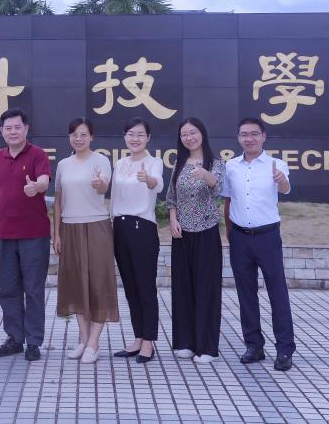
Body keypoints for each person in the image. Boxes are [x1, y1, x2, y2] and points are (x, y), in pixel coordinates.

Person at [221, 117, 296, 372]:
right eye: (244, 134)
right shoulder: (231, 166)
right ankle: (254, 346)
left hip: (267, 237)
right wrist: (230, 233)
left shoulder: (277, 164)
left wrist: (281, 179)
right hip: (240, 237)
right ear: (238, 138)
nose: (249, 138)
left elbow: (285, 188)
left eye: (254, 134)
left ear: (263, 136)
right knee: (246, 294)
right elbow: (228, 201)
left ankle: (285, 349)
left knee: (277, 293)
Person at [52, 117, 118, 364]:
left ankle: (94, 342)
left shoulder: (101, 161)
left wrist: (100, 184)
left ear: (91, 137)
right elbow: (58, 200)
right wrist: (56, 233)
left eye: (83, 134)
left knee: (99, 282)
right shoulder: (63, 165)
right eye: (74, 135)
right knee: (75, 283)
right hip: (69, 227)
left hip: (97, 225)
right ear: (69, 137)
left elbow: (103, 187)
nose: (78, 139)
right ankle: (84, 339)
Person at [0, 107, 52, 362]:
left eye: (17, 127)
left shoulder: (38, 154)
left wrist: (37, 186)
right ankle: (15, 338)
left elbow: (44, 180)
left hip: (35, 234)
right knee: (8, 289)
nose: (13, 132)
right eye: (8, 128)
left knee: (33, 289)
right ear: (2, 131)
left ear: (26, 129)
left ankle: (33, 341)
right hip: (6, 233)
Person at [165, 117, 225, 363]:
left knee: (206, 289)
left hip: (206, 232)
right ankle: (185, 343)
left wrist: (206, 175)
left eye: (193, 132)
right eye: (184, 134)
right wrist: (172, 219)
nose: (189, 137)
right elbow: (171, 197)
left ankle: (207, 347)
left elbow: (218, 189)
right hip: (182, 233)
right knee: (183, 289)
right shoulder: (179, 163)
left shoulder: (216, 163)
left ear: (202, 133)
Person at [111, 117, 164, 365]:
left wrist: (148, 179)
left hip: (142, 227)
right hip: (120, 227)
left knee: (145, 287)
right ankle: (137, 337)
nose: (135, 138)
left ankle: (149, 341)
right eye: (131, 134)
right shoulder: (120, 163)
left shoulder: (154, 163)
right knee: (130, 286)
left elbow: (157, 184)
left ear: (148, 138)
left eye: (140, 134)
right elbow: (114, 197)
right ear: (125, 137)